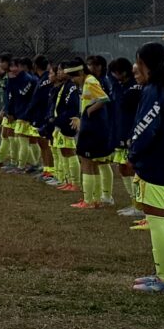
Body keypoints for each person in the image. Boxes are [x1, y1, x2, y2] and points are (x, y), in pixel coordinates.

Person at [129, 42, 164, 292]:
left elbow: (145, 128)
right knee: (163, 219)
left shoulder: (153, 90)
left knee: (157, 220)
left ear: (143, 62)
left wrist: (133, 153)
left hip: (154, 162)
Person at [68, 57, 112, 209]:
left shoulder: (90, 81)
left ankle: (88, 200)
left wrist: (88, 112)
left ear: (81, 72)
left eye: (74, 76)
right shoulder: (88, 81)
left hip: (92, 129)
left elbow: (104, 98)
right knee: (93, 164)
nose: (73, 80)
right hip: (94, 128)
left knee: (86, 163)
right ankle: (96, 199)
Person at [108, 58, 143, 219]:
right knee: (122, 168)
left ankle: (140, 205)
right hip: (120, 131)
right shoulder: (120, 86)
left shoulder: (133, 88)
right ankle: (133, 201)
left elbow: (123, 103)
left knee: (132, 168)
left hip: (131, 132)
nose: (114, 76)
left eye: (115, 72)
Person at [53, 63, 81, 193]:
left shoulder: (71, 87)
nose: (58, 72)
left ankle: (75, 183)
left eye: (60, 70)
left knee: (69, 152)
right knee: (64, 152)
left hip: (68, 123)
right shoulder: (65, 86)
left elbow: (73, 107)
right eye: (57, 70)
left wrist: (62, 120)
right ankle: (68, 181)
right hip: (61, 123)